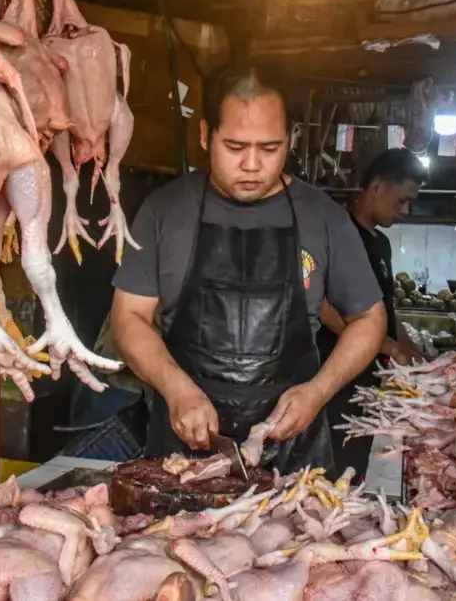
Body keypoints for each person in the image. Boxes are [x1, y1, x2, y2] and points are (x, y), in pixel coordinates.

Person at [110, 61, 388, 474]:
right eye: (236, 147)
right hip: (182, 453)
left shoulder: (323, 217)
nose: (252, 165)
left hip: (295, 461)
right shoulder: (164, 211)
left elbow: (369, 318)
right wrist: (176, 389)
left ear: (291, 138)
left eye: (270, 148)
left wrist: (317, 391)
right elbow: (128, 317)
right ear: (206, 134)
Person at [316, 148, 424, 474]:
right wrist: (385, 345)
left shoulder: (381, 244)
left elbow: (386, 306)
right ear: (376, 188)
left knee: (363, 459)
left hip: (371, 378)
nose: (407, 210)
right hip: (338, 375)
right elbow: (322, 304)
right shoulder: (338, 233)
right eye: (401, 200)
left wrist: (410, 349)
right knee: (338, 466)